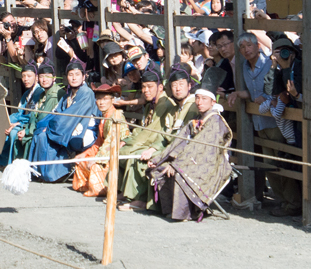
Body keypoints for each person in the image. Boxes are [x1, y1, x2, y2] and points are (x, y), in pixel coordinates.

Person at [228, 32, 301, 217]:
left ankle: (293, 203)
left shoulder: (270, 63)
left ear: (258, 46)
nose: (246, 50)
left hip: (276, 121)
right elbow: (252, 93)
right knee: (269, 165)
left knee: (281, 163)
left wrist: (266, 98)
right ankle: (282, 201)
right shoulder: (244, 66)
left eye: (249, 46)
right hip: (259, 122)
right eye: (242, 47)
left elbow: (281, 90)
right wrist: (239, 94)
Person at [148, 67, 233, 221]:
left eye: (204, 99)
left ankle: (186, 213)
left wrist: (175, 164)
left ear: (213, 101)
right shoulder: (196, 119)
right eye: (197, 98)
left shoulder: (215, 121)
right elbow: (179, 141)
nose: (199, 102)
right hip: (194, 159)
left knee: (180, 172)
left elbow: (198, 148)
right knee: (159, 168)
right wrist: (159, 159)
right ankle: (170, 210)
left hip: (212, 163)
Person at [118, 66, 197, 211]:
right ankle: (133, 196)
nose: (178, 89)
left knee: (142, 159)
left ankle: (142, 201)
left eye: (181, 85)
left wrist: (156, 151)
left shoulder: (192, 107)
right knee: (141, 155)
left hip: (181, 151)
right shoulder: (175, 108)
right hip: (167, 146)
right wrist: (153, 148)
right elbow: (165, 134)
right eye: (174, 85)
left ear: (189, 86)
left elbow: (181, 139)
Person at [28, 60, 101, 182]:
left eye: (77, 74)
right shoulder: (67, 96)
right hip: (67, 126)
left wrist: (51, 127)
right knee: (40, 134)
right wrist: (44, 125)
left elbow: (71, 115)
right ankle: (40, 172)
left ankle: (56, 173)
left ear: (84, 77)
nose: (74, 78)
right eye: (70, 75)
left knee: (49, 135)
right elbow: (55, 113)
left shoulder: (86, 93)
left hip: (84, 129)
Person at [72, 83, 131, 197]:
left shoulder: (115, 116)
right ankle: (85, 185)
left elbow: (110, 142)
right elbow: (99, 142)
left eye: (105, 99)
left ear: (112, 100)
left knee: (95, 166)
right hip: (106, 149)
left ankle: (100, 189)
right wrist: (85, 154)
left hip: (116, 151)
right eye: (98, 99)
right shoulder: (105, 116)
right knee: (81, 161)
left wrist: (97, 159)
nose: (101, 102)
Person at [0, 64, 46, 166]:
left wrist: (17, 124)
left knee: (14, 132)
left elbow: (33, 116)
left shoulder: (40, 93)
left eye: (29, 76)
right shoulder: (26, 94)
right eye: (23, 76)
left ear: (36, 77)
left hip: (30, 123)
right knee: (1, 126)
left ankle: (12, 163)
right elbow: (19, 113)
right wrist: (4, 120)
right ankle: (2, 161)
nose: (25, 79)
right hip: (22, 120)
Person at [12, 62, 61, 158]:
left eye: (47, 76)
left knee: (27, 137)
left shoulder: (55, 94)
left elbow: (43, 118)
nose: (44, 80)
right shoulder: (43, 94)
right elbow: (34, 115)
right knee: (18, 135)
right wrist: (26, 128)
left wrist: (27, 131)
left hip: (49, 129)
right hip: (36, 127)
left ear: (54, 78)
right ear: (38, 78)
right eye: (42, 77)